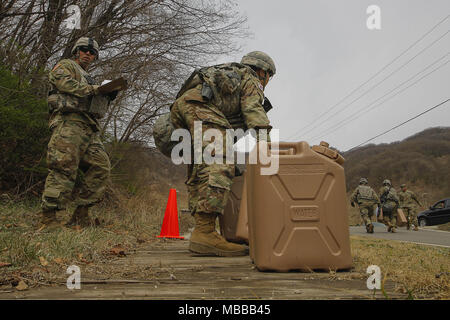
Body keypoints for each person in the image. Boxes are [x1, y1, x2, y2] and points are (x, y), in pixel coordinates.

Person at [169, 51, 276, 256]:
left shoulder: (229, 74)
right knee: (222, 159)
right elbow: (254, 110)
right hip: (200, 107)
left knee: (202, 167)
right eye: (269, 76)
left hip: (183, 107)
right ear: (263, 72)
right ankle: (205, 233)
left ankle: (203, 229)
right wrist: (266, 146)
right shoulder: (251, 78)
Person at [39, 37, 114, 229]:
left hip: (89, 127)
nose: (88, 54)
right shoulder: (66, 65)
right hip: (69, 123)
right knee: (63, 167)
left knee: (101, 166)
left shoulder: (87, 76)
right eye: (84, 50)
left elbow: (92, 101)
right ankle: (49, 218)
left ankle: (81, 214)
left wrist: (106, 95)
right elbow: (63, 83)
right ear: (76, 51)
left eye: (92, 52)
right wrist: (94, 90)